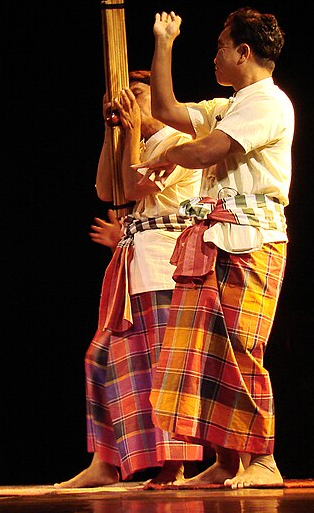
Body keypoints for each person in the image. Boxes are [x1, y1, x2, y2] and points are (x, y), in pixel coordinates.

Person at [135, 8, 294, 489]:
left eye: (221, 46)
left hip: (251, 239)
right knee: (205, 351)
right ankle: (226, 461)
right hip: (212, 238)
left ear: (243, 52)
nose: (215, 56)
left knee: (242, 347)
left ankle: (264, 459)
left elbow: (206, 151)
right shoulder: (233, 104)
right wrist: (164, 43)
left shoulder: (267, 102)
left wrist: (167, 154)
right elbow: (166, 111)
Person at [55, 71, 203, 489]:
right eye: (118, 99)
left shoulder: (177, 142)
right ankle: (105, 462)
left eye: (135, 94)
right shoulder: (133, 142)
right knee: (101, 358)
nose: (126, 103)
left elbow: (136, 186)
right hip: (134, 266)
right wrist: (112, 133)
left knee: (163, 364)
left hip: (165, 263)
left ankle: (173, 466)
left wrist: (134, 130)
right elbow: (108, 190)